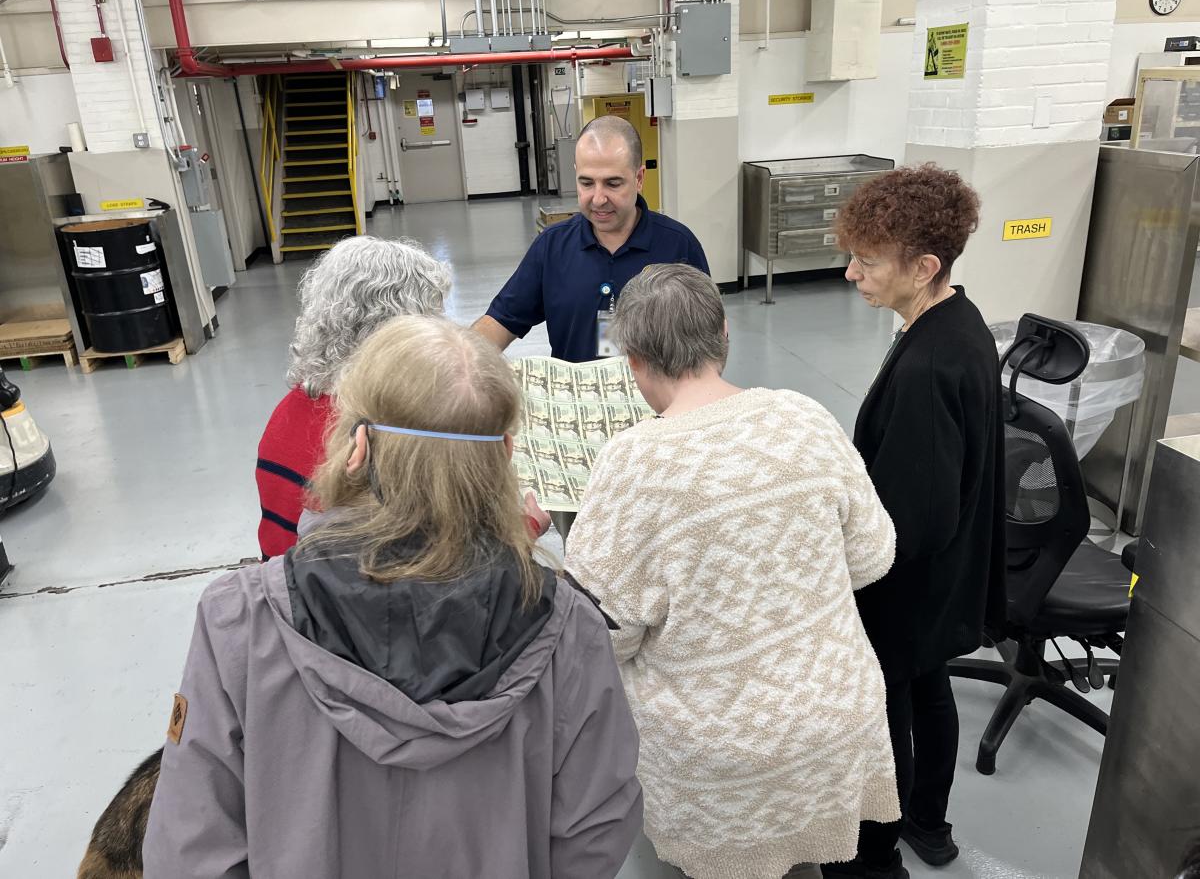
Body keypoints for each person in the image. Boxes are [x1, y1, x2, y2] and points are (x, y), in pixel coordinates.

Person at [146, 316, 643, 878]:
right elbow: (596, 828)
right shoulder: (569, 630)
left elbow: (189, 847)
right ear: (504, 455)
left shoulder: (239, 619)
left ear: (356, 446)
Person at [564, 264, 901, 879]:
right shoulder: (805, 416)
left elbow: (598, 634)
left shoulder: (632, 462)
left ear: (632, 358)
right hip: (838, 717)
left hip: (720, 750)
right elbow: (874, 555)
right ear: (724, 334)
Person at [825, 165, 1006, 879]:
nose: (850, 273)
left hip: (911, 581)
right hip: (951, 573)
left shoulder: (929, 366)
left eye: (867, 262)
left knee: (888, 704)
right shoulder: (959, 321)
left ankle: (877, 850)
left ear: (924, 266)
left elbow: (913, 519)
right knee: (930, 686)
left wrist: (837, 554)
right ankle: (929, 822)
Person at [255, 235, 450, 559]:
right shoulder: (385, 437)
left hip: (284, 590)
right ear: (398, 329)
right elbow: (427, 566)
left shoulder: (290, 410)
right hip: (335, 601)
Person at [472, 115, 709, 362]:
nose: (598, 199)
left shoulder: (679, 246)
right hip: (575, 396)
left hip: (656, 401)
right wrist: (456, 364)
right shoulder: (552, 247)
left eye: (613, 184)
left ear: (639, 178)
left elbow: (709, 341)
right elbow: (501, 320)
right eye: (586, 183)